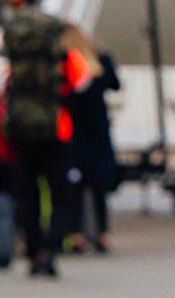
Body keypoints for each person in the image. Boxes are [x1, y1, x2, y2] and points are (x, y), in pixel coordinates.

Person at [0, 10, 93, 278]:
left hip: (20, 130)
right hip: (56, 130)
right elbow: (83, 85)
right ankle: (49, 249)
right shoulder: (62, 58)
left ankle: (32, 248)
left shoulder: (14, 59)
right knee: (59, 192)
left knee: (28, 194)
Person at [59, 28, 119, 256]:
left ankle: (76, 235)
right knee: (98, 189)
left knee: (74, 187)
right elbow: (116, 85)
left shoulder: (68, 62)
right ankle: (102, 233)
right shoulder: (101, 62)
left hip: (75, 130)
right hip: (98, 130)